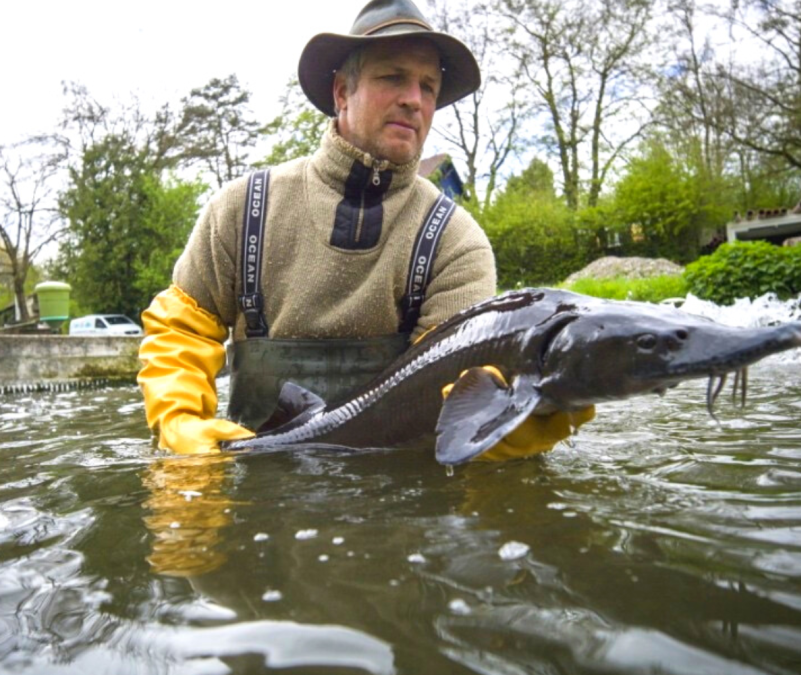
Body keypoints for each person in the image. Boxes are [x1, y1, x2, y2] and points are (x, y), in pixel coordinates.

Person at [138, 0, 592, 457]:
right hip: (252, 484)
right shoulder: (240, 210)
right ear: (341, 92)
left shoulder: (457, 242)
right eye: (393, 77)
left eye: (428, 87)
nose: (414, 99)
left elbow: (455, 394)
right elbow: (182, 335)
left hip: (395, 500)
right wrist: (179, 421)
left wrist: (502, 423)